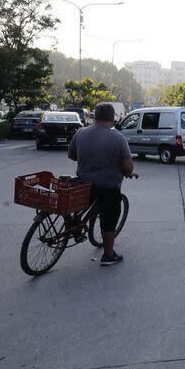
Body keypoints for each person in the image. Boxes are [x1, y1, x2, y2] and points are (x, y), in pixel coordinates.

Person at [68, 103, 137, 266]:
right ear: (112, 119)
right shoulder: (118, 138)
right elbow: (128, 167)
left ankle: (79, 226)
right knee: (110, 217)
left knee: (83, 207)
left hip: (83, 184)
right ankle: (108, 255)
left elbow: (71, 155)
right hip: (108, 186)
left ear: (94, 117)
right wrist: (125, 171)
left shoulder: (80, 133)